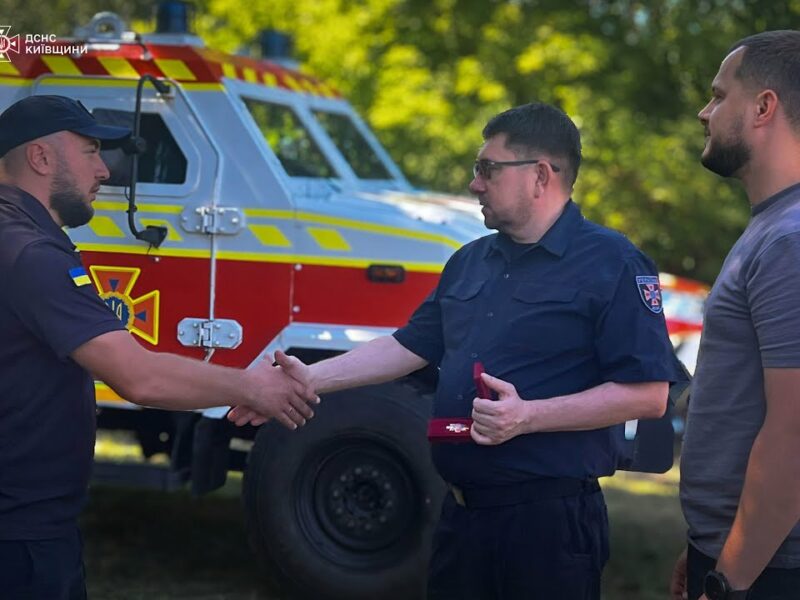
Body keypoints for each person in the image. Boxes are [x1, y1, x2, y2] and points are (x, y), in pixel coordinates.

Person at [231, 102, 683, 599]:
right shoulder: (471, 260)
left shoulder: (613, 262)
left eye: (488, 169)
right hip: (461, 520)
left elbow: (647, 395)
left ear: (540, 176)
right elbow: (410, 346)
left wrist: (527, 417)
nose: (475, 184)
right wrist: (307, 380)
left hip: (547, 528)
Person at [0, 95, 319, 599]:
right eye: (89, 151)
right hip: (20, 538)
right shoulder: (28, 253)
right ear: (40, 158)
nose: (104, 169)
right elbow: (137, 376)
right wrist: (252, 387)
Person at [670, 30, 800, 600]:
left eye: (719, 95)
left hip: (769, 572)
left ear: (763, 106)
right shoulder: (772, 228)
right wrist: (708, 546)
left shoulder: (790, 241)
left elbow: (794, 433)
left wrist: (730, 579)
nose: (705, 112)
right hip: (742, 555)